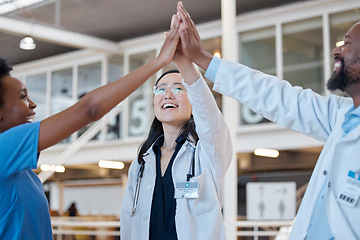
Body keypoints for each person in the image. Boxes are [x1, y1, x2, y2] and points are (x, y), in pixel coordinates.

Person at [176, 1, 360, 239]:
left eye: (347, 43)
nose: (337, 50)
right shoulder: (341, 117)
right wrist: (203, 59)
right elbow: (275, 96)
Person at [0, 14, 181, 240]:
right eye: (23, 97)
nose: (33, 104)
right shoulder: (3, 148)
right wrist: (159, 62)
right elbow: (90, 109)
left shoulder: (20, 168)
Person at [120, 14, 232, 240]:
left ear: (194, 102)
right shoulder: (142, 162)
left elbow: (210, 118)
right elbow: (128, 221)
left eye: (178, 88)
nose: (168, 94)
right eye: (160, 89)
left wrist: (183, 61)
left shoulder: (207, 155)